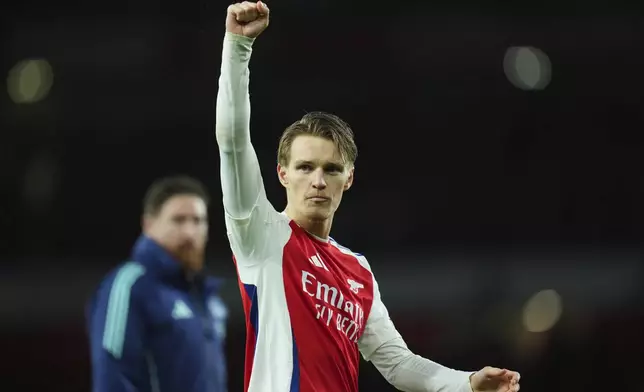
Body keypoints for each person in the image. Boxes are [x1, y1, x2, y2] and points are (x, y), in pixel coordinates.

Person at [215, 2, 521, 391]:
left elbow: (399, 363)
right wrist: (237, 49)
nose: (318, 181)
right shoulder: (261, 235)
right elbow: (232, 141)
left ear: (349, 178)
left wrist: (468, 383)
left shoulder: (357, 271)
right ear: (282, 174)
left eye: (331, 169)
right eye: (306, 167)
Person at [86, 175, 228, 392]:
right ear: (148, 225)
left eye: (198, 221)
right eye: (178, 220)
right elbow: (112, 373)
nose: (190, 232)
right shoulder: (129, 286)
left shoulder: (206, 297)